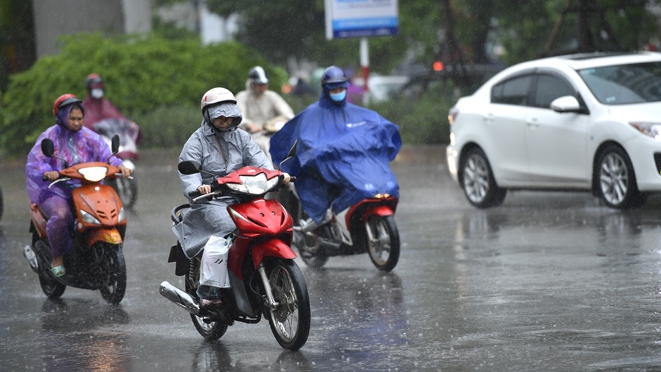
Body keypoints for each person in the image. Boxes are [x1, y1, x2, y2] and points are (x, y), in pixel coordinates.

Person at [173, 87, 290, 308]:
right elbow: (188, 171)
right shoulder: (196, 141)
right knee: (228, 228)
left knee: (271, 222)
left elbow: (259, 160)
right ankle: (210, 289)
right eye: (220, 117)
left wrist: (277, 175)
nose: (226, 121)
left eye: (229, 116)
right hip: (212, 201)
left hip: (245, 197)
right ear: (208, 115)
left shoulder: (242, 137)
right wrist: (198, 188)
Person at [269, 66, 401, 226]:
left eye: (341, 88)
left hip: (356, 163)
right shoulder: (313, 114)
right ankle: (325, 219)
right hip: (328, 163)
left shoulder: (358, 113)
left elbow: (377, 126)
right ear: (326, 89)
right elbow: (305, 140)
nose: (338, 91)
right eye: (334, 88)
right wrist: (316, 151)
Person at [26, 94, 133, 277]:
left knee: (108, 210)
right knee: (61, 215)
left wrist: (119, 166)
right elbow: (36, 162)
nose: (77, 123)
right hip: (56, 190)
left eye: (80, 118)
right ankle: (57, 257)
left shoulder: (90, 137)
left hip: (86, 188)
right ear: (61, 117)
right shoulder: (49, 136)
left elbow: (107, 156)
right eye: (72, 118)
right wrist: (47, 171)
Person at [235, 66, 295, 159]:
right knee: (266, 146)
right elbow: (238, 117)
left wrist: (279, 122)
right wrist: (249, 125)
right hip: (252, 136)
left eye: (264, 84)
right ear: (252, 83)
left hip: (273, 133)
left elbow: (287, 112)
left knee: (292, 143)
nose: (262, 87)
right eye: (259, 84)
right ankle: (271, 171)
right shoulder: (242, 97)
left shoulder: (271, 96)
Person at [81, 73, 142, 151]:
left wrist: (129, 124)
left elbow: (117, 117)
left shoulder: (107, 104)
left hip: (113, 137)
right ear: (89, 89)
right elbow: (85, 126)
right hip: (97, 141)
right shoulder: (85, 106)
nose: (98, 89)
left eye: (100, 87)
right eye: (95, 87)